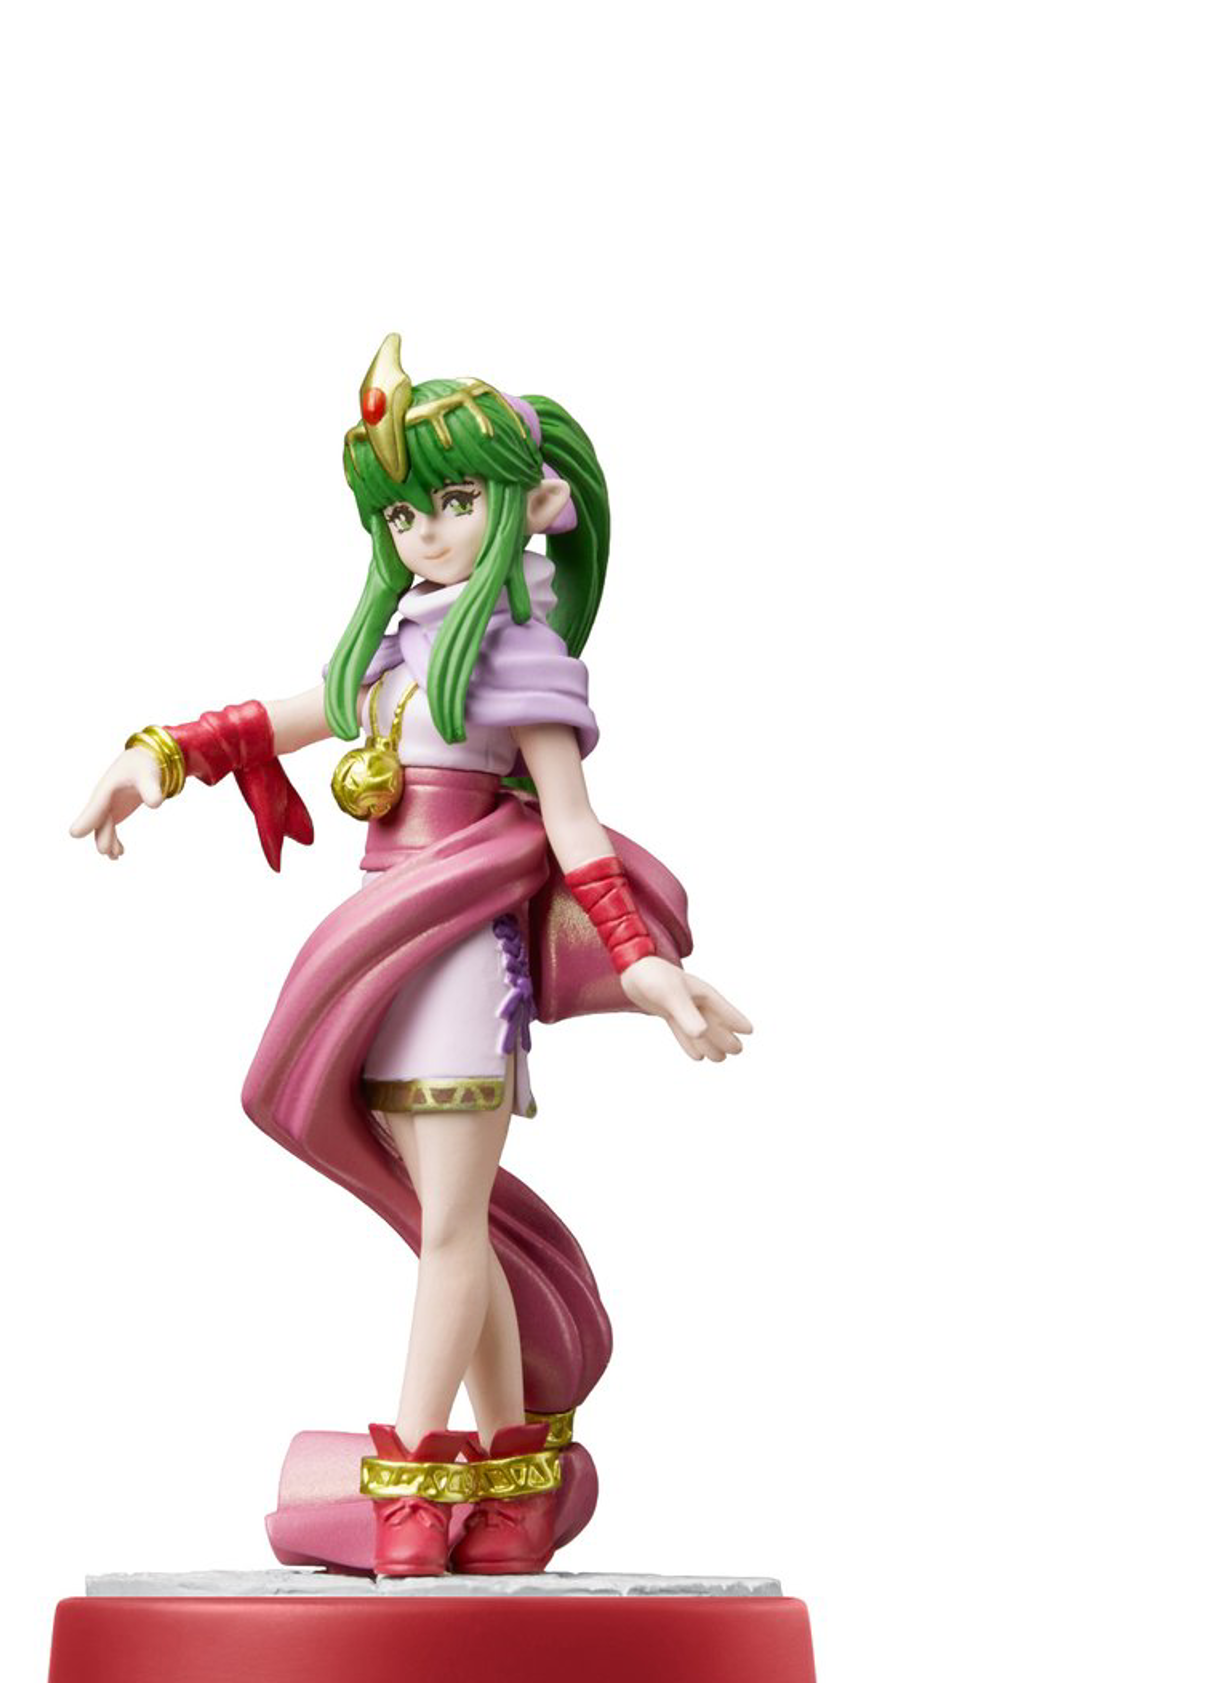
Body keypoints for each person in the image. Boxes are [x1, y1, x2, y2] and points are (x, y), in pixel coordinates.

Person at [71, 336, 751, 1577]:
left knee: (445, 1228)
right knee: (457, 1225)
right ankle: (513, 1481)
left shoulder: (515, 655)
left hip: (458, 961)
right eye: (401, 513)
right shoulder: (399, 648)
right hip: (386, 952)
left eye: (453, 501)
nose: (425, 531)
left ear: (525, 504)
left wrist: (641, 964)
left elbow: (573, 826)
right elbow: (293, 715)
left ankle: (411, 1475)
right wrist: (157, 756)